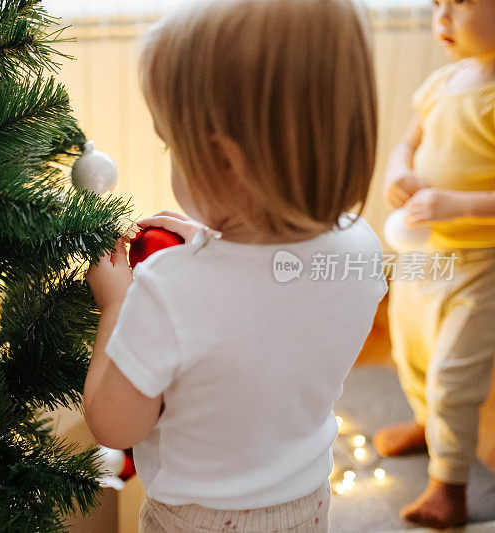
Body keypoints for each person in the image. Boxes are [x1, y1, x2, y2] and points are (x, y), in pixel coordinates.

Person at [82, 0, 388, 531]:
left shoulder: (168, 289)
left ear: (224, 160)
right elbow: (272, 308)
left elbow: (114, 424)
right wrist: (216, 242)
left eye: (170, 146)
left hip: (195, 519)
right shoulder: (362, 249)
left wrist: (116, 305)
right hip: (308, 503)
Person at [373, 0, 495, 528]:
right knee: (413, 349)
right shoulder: (442, 83)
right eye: (436, 5)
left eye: (460, 4)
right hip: (424, 257)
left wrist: (459, 203)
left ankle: (451, 483)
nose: (441, 18)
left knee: (453, 371)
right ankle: (428, 424)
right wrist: (397, 174)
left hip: (481, 262)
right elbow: (407, 145)